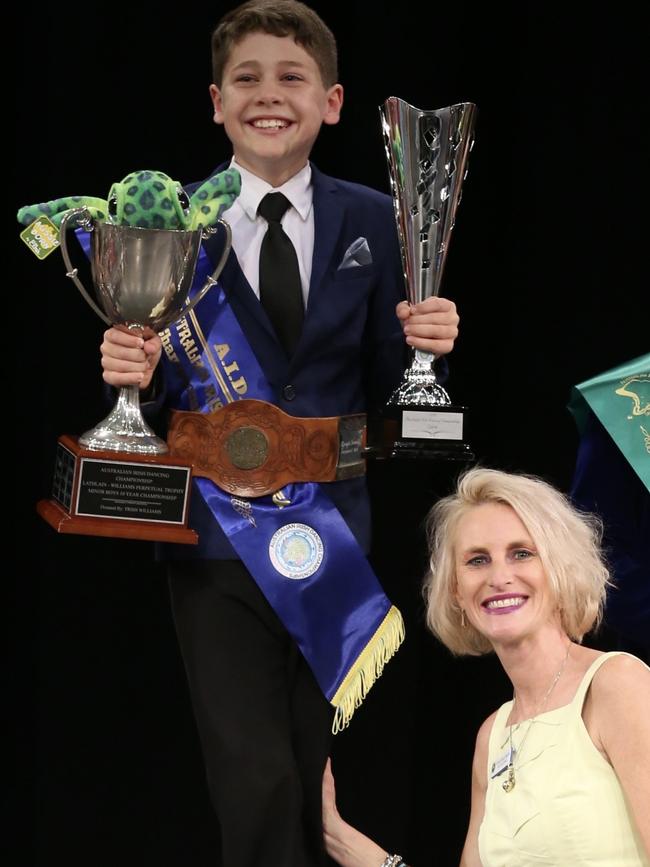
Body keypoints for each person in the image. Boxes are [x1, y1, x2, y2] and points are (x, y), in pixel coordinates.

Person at [97, 2, 460, 866]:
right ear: (215, 101)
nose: (270, 96)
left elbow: (389, 385)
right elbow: (147, 407)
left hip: (336, 538)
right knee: (254, 777)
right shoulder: (164, 219)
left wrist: (426, 352)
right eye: (248, 79)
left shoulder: (378, 218)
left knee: (307, 775)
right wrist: (129, 376)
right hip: (215, 543)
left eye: (291, 78)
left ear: (331, 102)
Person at [322, 467, 650, 866]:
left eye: (522, 554)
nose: (499, 577)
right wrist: (341, 840)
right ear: (456, 591)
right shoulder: (493, 734)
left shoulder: (618, 684)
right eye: (477, 560)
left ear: (560, 570)